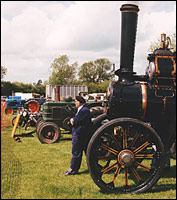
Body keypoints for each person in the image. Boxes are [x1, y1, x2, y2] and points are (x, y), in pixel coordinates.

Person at [64, 96, 91, 175]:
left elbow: (76, 120)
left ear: (80, 102)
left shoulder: (84, 110)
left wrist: (73, 120)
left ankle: (73, 169)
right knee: (79, 152)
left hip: (80, 134)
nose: (75, 103)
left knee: (76, 152)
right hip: (79, 133)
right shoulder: (81, 110)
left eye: (76, 101)